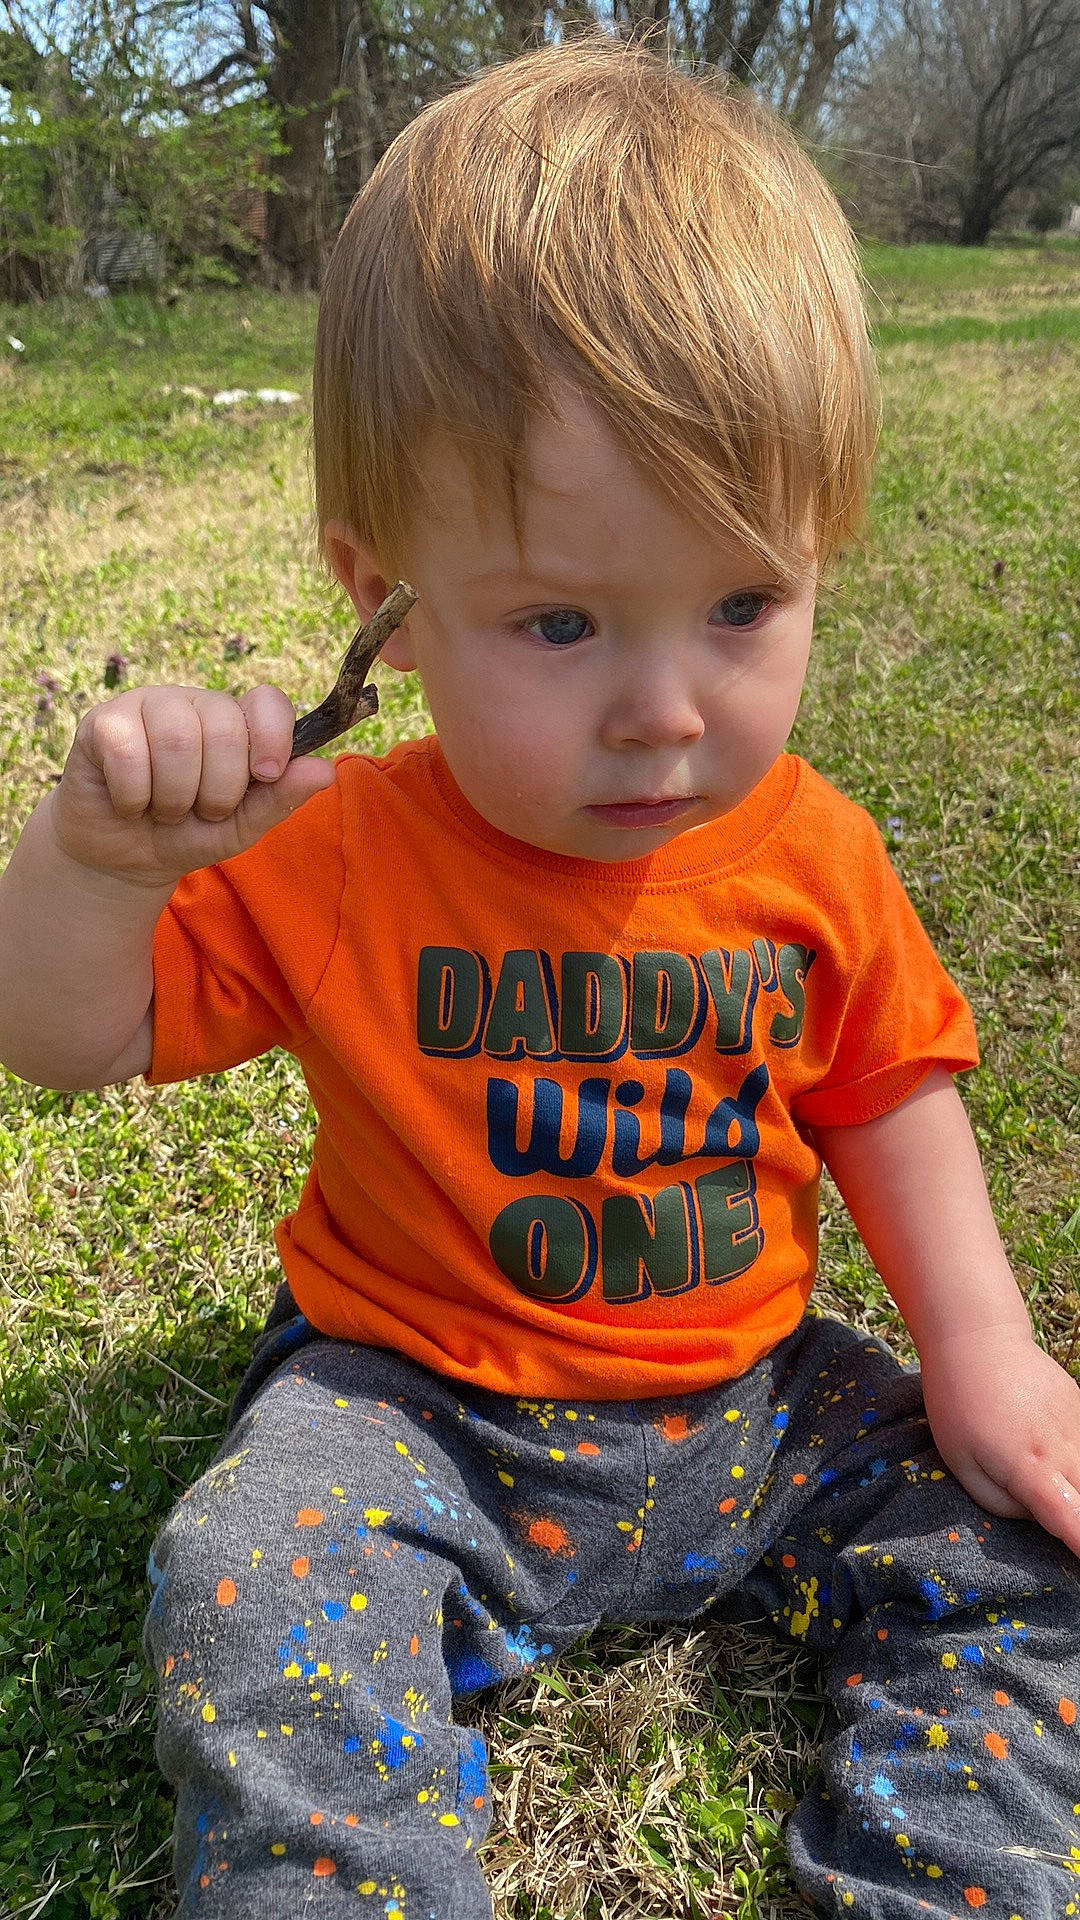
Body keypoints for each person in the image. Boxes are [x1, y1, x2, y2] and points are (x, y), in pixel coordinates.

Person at [1, 32, 1077, 1920]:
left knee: (1041, 1558)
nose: (665, 709)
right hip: (415, 1410)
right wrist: (94, 876)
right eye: (562, 622)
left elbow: (888, 1090)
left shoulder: (815, 854)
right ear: (385, 602)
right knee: (246, 1580)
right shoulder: (338, 848)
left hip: (758, 1405)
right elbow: (65, 1040)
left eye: (743, 604)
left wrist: (980, 1349)